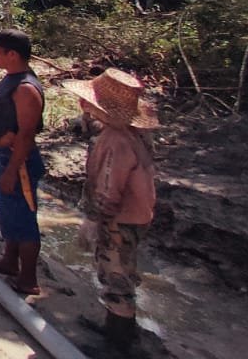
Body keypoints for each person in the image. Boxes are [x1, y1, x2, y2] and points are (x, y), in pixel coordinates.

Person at [66, 68, 159, 353]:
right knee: (121, 271)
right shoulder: (134, 134)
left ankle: (117, 345)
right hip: (136, 215)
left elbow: (109, 189)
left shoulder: (115, 141)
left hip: (120, 218)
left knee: (115, 276)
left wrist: (92, 220)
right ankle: (115, 328)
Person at [0, 28, 46, 296]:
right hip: (4, 157)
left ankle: (28, 279)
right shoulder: (13, 79)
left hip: (17, 162)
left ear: (12, 54)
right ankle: (9, 261)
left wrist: (11, 170)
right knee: (9, 214)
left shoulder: (26, 89)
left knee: (24, 219)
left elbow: (26, 134)